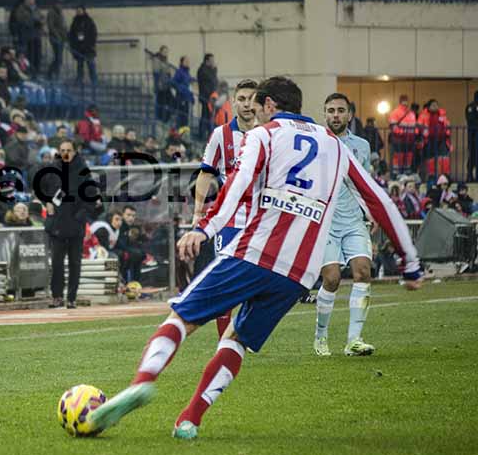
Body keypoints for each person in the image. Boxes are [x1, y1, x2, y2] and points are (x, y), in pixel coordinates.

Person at [86, 76, 423, 440]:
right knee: (237, 339)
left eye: (257, 106)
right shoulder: (337, 147)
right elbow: (380, 201)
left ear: (268, 106)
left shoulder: (262, 135)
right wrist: (410, 261)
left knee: (182, 317)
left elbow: (238, 182)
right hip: (298, 272)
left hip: (254, 252)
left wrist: (204, 227)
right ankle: (190, 418)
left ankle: (142, 381)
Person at [192, 79, 258, 338]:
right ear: (233, 101)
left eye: (252, 98)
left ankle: (245, 332)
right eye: (242, 99)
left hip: (262, 218)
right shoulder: (221, 135)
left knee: (257, 280)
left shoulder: (268, 132)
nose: (247, 104)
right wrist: (198, 211)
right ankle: (225, 341)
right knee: (227, 279)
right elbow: (205, 173)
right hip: (230, 218)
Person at [313, 93, 376, 357]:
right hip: (325, 222)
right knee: (332, 279)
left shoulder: (362, 146)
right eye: (331, 110)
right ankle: (321, 336)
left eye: (340, 110)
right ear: (325, 114)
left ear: (349, 114)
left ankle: (354, 340)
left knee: (363, 272)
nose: (335, 115)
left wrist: (372, 212)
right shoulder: (315, 143)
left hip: (353, 221)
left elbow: (366, 183)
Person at [39, 140, 98, 308]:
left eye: (69, 150)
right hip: (57, 223)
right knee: (57, 263)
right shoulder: (52, 169)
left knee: (75, 263)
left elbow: (91, 197)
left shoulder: (83, 171)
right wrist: (47, 203)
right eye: (62, 150)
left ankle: (71, 297)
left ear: (75, 151)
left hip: (76, 224)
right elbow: (41, 189)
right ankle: (57, 296)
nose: (65, 153)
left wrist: (80, 215)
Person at [388, 95, 417, 176]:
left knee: (408, 157)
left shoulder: (411, 113)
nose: (405, 102)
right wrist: (403, 132)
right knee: (398, 158)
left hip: (409, 140)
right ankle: (397, 175)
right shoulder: (396, 112)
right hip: (399, 139)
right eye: (404, 100)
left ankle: (405, 174)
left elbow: (414, 126)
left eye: (406, 100)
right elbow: (394, 127)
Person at [68, 6, 98, 86]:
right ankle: (79, 80)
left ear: (84, 11)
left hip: (88, 47)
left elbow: (94, 33)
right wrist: (73, 46)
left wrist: (90, 44)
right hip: (79, 48)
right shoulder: (74, 22)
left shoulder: (89, 21)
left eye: (80, 10)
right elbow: (71, 35)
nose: (78, 12)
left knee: (91, 65)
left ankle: (94, 81)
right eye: (77, 11)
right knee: (80, 66)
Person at [196, 54, 218, 140]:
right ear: (207, 61)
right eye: (211, 60)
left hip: (211, 97)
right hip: (206, 97)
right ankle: (202, 135)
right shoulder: (203, 70)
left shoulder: (209, 70)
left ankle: (208, 134)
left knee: (209, 117)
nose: (213, 62)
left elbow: (214, 82)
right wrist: (214, 70)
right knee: (205, 116)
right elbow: (210, 80)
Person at [46, 0, 68, 80]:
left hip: (61, 39)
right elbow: (51, 26)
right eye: (58, 3)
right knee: (58, 58)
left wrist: (65, 37)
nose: (60, 5)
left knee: (59, 58)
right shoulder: (51, 12)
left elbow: (63, 25)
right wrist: (57, 35)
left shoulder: (61, 13)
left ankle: (54, 73)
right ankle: (51, 73)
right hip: (55, 38)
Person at [467, 91, 478, 182]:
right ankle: (470, 176)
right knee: (473, 156)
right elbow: (471, 120)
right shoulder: (471, 107)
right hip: (473, 136)